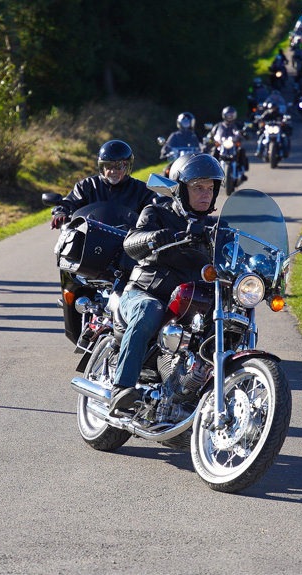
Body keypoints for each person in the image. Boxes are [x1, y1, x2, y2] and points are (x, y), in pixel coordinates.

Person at [108, 153, 225, 414]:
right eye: (197, 188)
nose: (205, 194)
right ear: (181, 190)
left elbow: (243, 255)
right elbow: (130, 243)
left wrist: (269, 265)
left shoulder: (218, 228)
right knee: (150, 310)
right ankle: (122, 389)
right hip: (144, 294)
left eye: (210, 188)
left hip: (190, 306)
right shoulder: (157, 213)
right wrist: (153, 238)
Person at [50, 140, 158, 229]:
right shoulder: (87, 186)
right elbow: (68, 203)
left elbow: (156, 208)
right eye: (108, 166)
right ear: (102, 167)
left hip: (130, 244)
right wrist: (60, 212)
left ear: (127, 167)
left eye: (119, 166)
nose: (113, 171)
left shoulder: (141, 189)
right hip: (91, 239)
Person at [206, 106, 249, 180]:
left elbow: (244, 131)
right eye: (228, 115)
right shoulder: (219, 125)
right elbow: (212, 132)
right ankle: (210, 171)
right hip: (222, 144)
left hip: (234, 144)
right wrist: (210, 136)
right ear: (224, 115)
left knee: (241, 151)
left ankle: (242, 171)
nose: (229, 117)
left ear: (234, 115)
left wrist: (245, 133)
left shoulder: (238, 124)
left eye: (231, 115)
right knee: (214, 151)